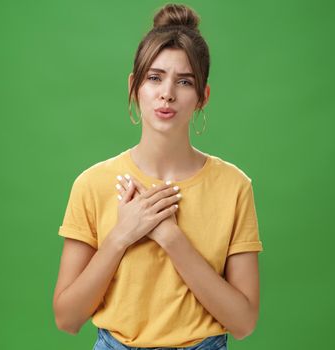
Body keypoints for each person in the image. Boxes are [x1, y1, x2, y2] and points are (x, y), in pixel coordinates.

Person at [53, 3, 264, 349]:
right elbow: (67, 318)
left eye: (184, 81)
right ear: (134, 87)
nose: (167, 93)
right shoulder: (91, 185)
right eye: (155, 77)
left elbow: (243, 323)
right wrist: (122, 235)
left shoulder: (234, 187)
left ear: (202, 97)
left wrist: (171, 238)